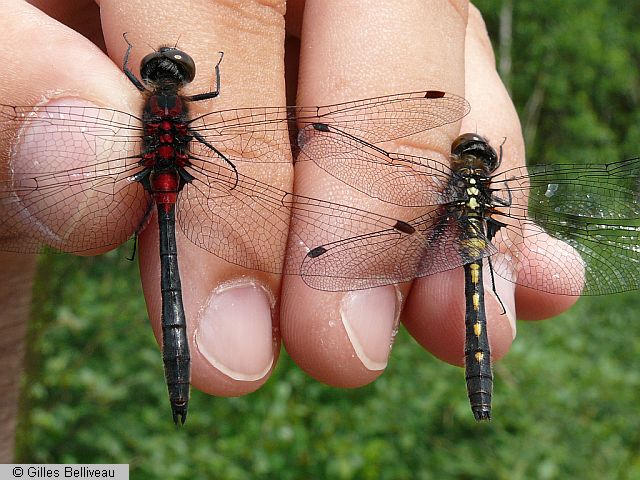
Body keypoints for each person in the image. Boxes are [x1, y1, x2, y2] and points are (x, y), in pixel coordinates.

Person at [0, 0, 575, 459]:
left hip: (160, 185)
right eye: (160, 71)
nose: (166, 75)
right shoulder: (193, 110)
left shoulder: (147, 109)